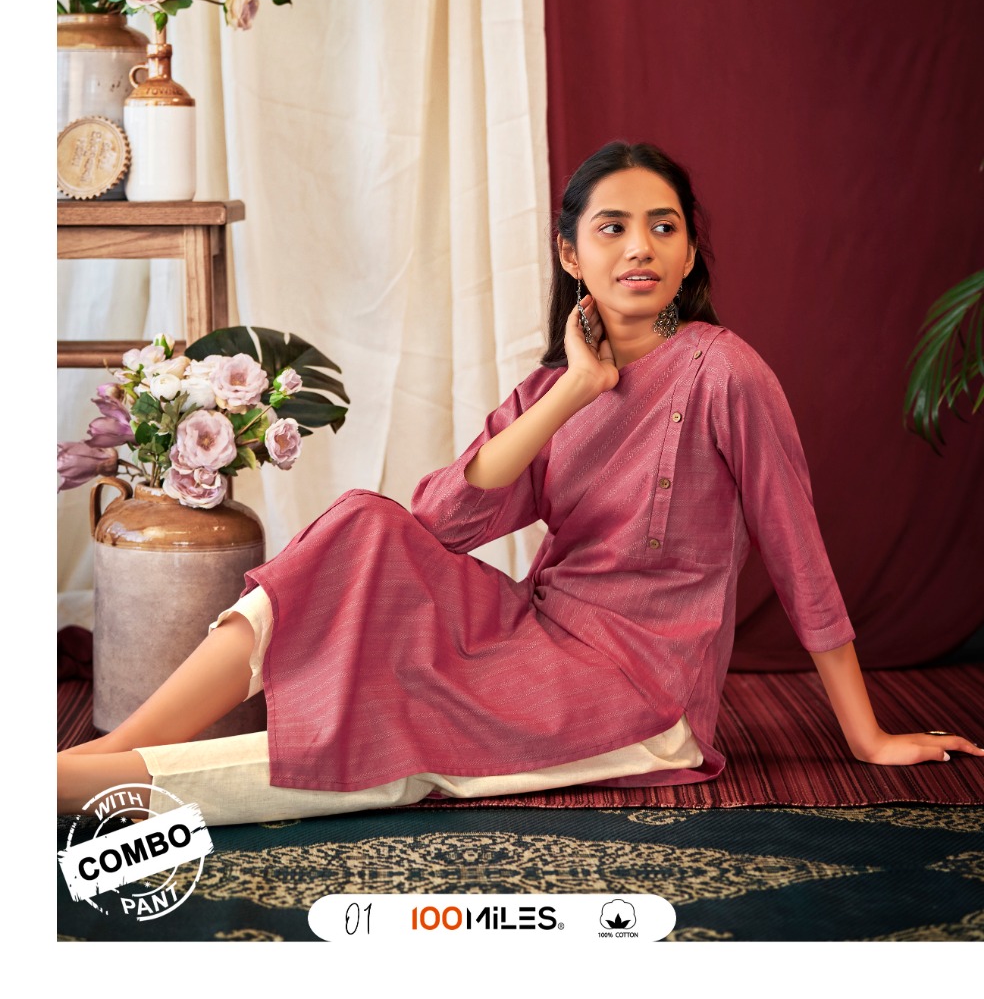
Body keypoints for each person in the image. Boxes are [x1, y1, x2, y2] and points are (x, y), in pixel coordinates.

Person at [57, 141, 983, 823]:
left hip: (640, 695)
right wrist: (576, 390)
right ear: (571, 255)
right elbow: (438, 520)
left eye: (663, 227)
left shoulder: (726, 371)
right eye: (612, 228)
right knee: (362, 526)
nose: (640, 248)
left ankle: (82, 786)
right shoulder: (553, 388)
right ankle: (119, 749)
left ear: (690, 253)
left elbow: (798, 553)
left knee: (398, 741)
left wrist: (865, 735)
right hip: (533, 639)